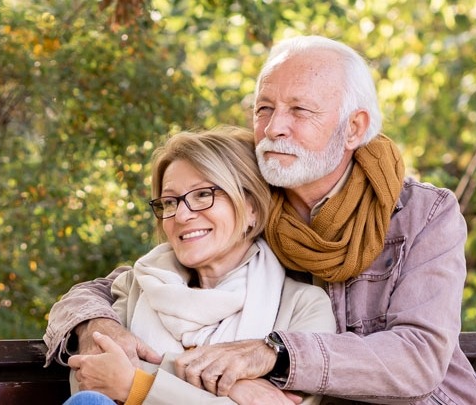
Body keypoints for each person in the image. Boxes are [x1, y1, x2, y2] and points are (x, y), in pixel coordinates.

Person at [46, 36, 476, 404]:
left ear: (354, 128)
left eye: (299, 110)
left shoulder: (422, 213)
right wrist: (98, 326)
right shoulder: (245, 198)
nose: (274, 127)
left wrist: (273, 353)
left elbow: (417, 358)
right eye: (263, 109)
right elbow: (118, 287)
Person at [65, 127, 336, 405]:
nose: (181, 215)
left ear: (252, 208)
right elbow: (91, 378)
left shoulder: (304, 305)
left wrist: (139, 386)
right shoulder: (138, 285)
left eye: (203, 194)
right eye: (169, 201)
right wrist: (229, 387)